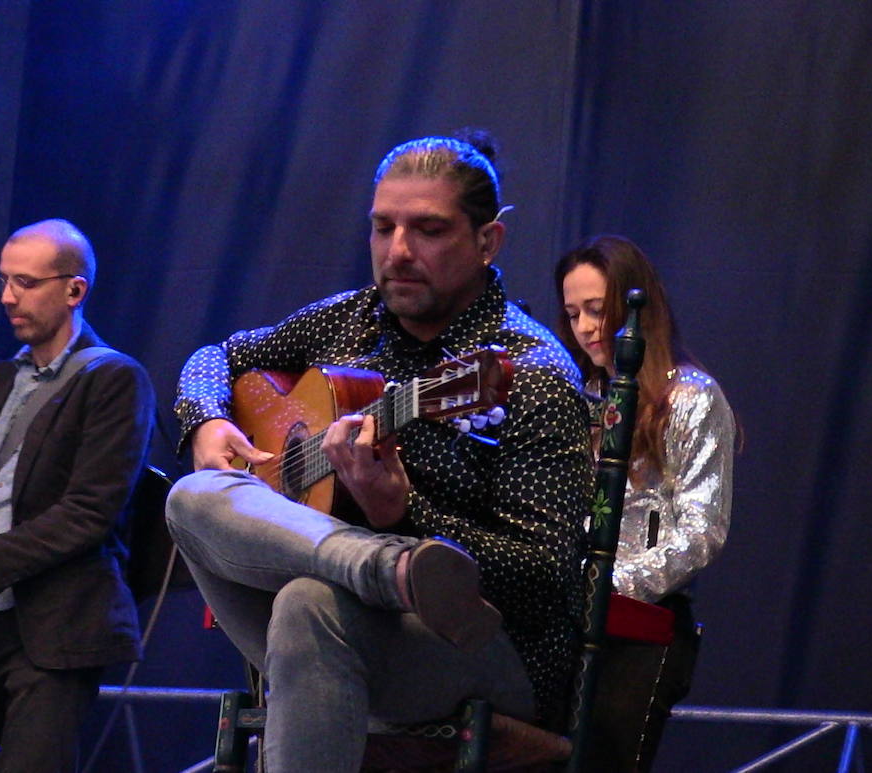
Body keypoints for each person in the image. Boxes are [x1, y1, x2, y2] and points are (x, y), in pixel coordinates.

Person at [166, 134, 591, 771]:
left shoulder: (530, 371)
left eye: (428, 230)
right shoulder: (345, 321)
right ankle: (374, 566)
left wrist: (405, 515)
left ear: (487, 242)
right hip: (336, 614)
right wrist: (207, 420)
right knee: (191, 497)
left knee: (308, 605)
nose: (398, 252)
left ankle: (380, 564)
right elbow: (215, 358)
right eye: (383, 227)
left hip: (480, 647)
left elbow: (544, 580)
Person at [0, 219, 155, 772]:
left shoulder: (114, 379)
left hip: (58, 625)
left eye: (24, 283)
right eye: (3, 281)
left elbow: (90, 511)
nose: (7, 297)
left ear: (74, 290)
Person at [555, 234, 735, 771]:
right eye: (571, 314)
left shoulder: (692, 398)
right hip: (567, 622)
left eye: (596, 310)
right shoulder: (576, 398)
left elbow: (702, 531)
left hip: (642, 628)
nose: (584, 328)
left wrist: (609, 586)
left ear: (635, 309)